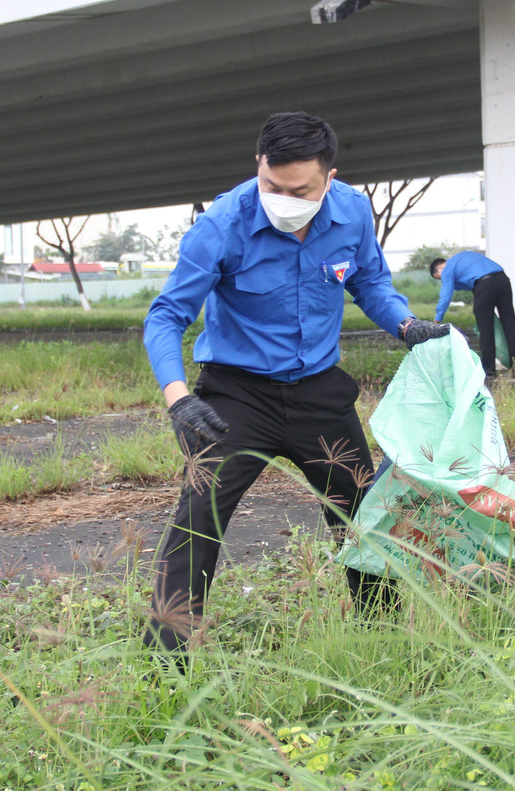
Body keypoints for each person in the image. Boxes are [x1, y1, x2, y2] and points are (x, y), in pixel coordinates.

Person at [141, 111, 451, 656]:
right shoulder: (221, 224)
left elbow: (370, 281)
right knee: (197, 521)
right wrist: (178, 398)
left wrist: (404, 324)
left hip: (318, 392)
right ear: (258, 165)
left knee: (363, 520)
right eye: (271, 185)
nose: (283, 198)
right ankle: (162, 665)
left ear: (329, 178)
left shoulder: (352, 211)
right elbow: (166, 315)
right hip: (235, 397)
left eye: (299, 189)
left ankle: (381, 643)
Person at [430, 252, 515, 379]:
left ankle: (489, 371)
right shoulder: (463, 257)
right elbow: (467, 283)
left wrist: (437, 319)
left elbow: (446, 295)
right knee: (510, 324)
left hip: (484, 285)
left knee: (486, 329)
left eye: (439, 277)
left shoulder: (447, 267)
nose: (443, 279)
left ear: (439, 268)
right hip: (503, 280)